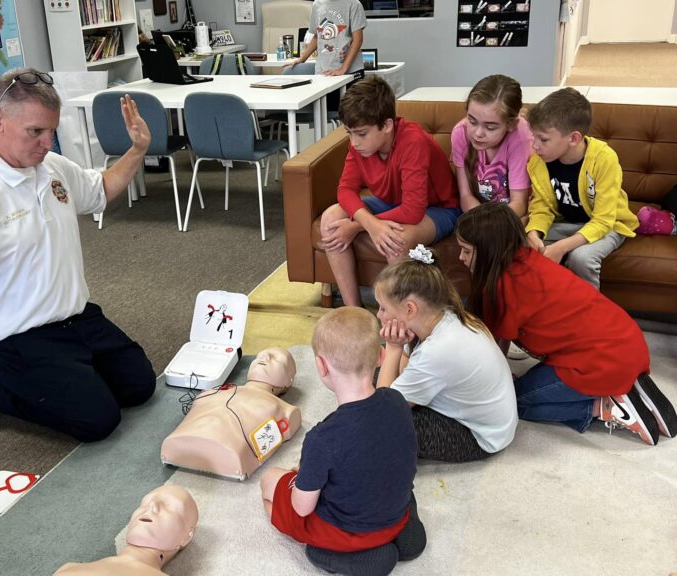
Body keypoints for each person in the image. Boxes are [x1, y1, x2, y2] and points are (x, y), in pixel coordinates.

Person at [0, 67, 156, 441]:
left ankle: (66, 376)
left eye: (52, 130)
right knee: (98, 421)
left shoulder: (51, 166)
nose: (48, 142)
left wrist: (137, 150)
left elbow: (100, 190)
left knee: (140, 386)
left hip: (76, 318)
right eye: (35, 131)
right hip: (17, 336)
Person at [456, 202, 677, 446]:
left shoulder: (501, 288)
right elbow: (502, 336)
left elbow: (494, 343)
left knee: (515, 404)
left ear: (489, 249)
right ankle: (627, 383)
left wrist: (495, 383)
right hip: (628, 343)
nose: (461, 258)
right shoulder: (528, 258)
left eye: (467, 250)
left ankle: (603, 405)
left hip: (600, 361)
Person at [260, 308, 425, 576]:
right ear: (381, 356)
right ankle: (404, 531)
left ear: (321, 366)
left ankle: (342, 555)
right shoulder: (397, 401)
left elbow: (302, 508)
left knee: (270, 482)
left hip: (350, 533)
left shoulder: (322, 438)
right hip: (396, 513)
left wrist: (299, 480)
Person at [319, 76, 460, 307]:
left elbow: (413, 211)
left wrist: (357, 225)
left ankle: (395, 320)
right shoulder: (359, 145)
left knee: (396, 240)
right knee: (330, 219)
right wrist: (368, 221)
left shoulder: (413, 141)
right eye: (349, 133)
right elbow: (345, 190)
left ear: (386, 125)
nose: (354, 142)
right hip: (393, 203)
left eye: (361, 134)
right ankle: (355, 311)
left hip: (439, 209)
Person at [374, 244, 518, 463]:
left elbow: (381, 410)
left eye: (383, 308)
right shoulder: (446, 314)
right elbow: (410, 364)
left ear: (410, 309)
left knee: (376, 420)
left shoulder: (438, 350)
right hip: (492, 423)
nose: (378, 314)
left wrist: (393, 348)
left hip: (477, 437)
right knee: (378, 370)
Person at [525, 87, 639, 289]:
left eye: (543, 139)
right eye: (533, 137)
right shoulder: (539, 161)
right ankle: (545, 308)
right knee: (523, 246)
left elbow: (604, 220)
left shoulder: (604, 159)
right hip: (565, 224)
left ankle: (589, 314)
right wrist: (534, 233)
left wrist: (560, 248)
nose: (535, 145)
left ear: (574, 138)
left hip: (608, 225)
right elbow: (542, 207)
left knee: (581, 258)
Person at [160, 347, 302, 480]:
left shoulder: (287, 411)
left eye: (277, 359)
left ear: (289, 381)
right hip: (177, 441)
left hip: (230, 453)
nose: (265, 357)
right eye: (260, 355)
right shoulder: (214, 390)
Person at [54, 484, 198, 576]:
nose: (151, 506)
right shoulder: (68, 568)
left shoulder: (68, 571)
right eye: (145, 502)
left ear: (186, 537)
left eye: (169, 506)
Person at [451, 74, 532, 219]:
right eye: (472, 121)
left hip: (511, 216)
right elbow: (465, 195)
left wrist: (491, 225)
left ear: (511, 124)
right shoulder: (460, 133)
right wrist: (481, 222)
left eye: (490, 127)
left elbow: (519, 203)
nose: (478, 133)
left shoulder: (521, 137)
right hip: (480, 214)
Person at [291, 0, 367, 109]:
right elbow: (317, 36)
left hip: (350, 73)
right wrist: (302, 58)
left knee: (350, 117)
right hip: (324, 73)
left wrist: (342, 69)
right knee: (322, 115)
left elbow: (358, 40)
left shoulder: (354, 4)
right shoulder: (317, 4)